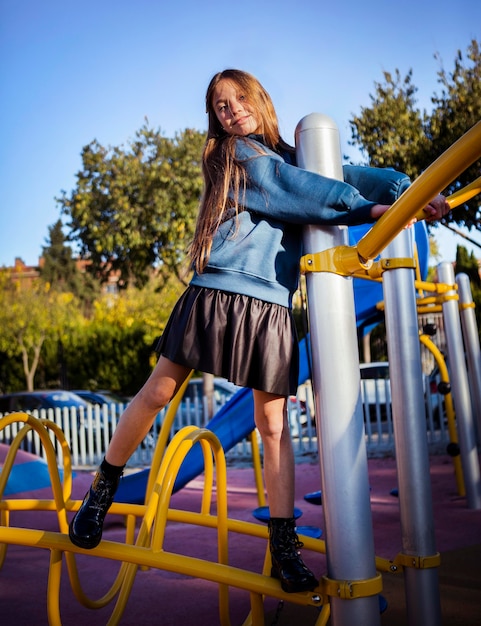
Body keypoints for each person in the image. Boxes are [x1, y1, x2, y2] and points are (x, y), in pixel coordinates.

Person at [69, 69, 450, 593]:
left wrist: (409, 191)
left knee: (273, 426)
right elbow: (292, 191)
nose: (231, 111)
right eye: (221, 106)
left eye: (238, 99)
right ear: (216, 119)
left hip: (270, 307)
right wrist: (371, 210)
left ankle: (282, 547)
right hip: (218, 291)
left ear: (258, 99)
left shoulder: (292, 154)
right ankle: (102, 488)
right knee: (159, 390)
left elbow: (350, 173)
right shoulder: (236, 156)